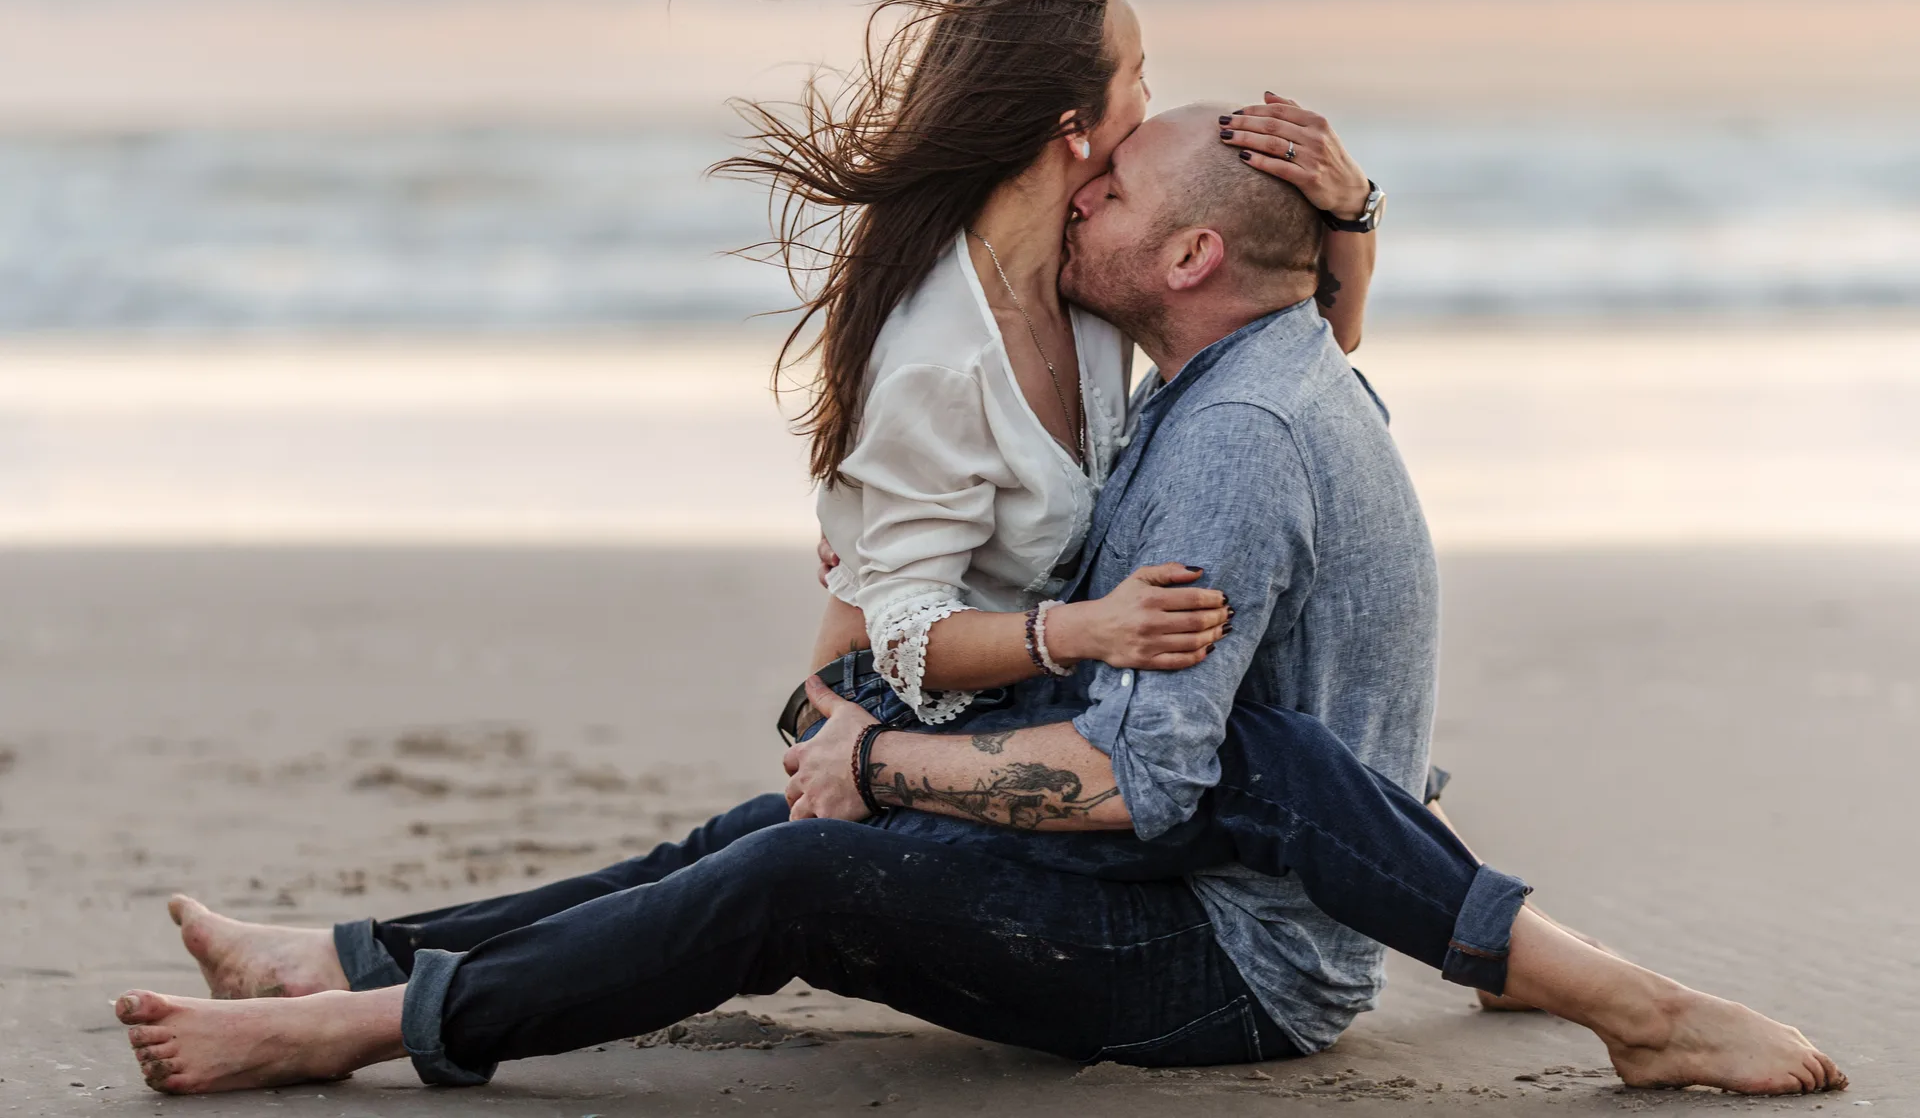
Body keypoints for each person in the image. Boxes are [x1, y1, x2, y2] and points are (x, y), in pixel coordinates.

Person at [121, 104, 1843, 1099]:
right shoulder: (1250, 367)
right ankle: (349, 958)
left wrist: (876, 767)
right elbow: (1271, 346)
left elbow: (1151, 784)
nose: (1078, 190)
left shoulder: (1230, 436)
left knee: (795, 863)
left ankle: (371, 1026)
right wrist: (1351, 227)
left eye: (1110, 187)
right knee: (756, 821)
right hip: (1235, 863)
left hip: (1236, 964)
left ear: (1185, 262)